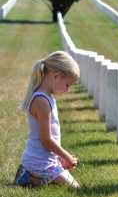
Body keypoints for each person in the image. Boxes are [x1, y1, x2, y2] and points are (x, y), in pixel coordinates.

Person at [14, 51, 81, 189]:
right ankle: (30, 177)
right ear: (56, 76)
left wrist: (60, 158)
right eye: (67, 85)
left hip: (47, 161)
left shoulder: (47, 97)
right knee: (75, 188)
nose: (67, 90)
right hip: (39, 163)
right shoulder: (41, 101)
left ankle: (34, 176)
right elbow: (46, 140)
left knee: (73, 185)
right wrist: (67, 156)